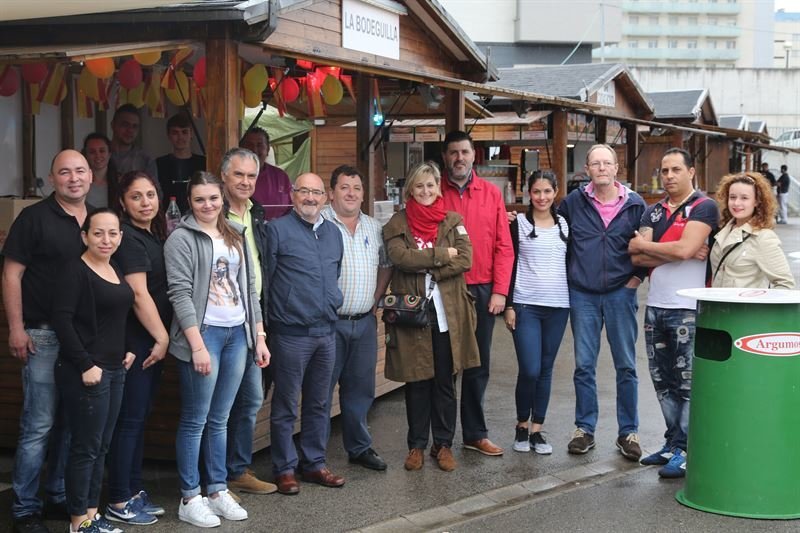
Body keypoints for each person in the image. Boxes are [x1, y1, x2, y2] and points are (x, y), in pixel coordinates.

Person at [164, 171, 270, 528]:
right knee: (196, 419)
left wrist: (259, 336)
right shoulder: (181, 238)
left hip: (237, 333)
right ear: (189, 203)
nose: (207, 205)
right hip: (204, 335)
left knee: (220, 418)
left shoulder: (235, 234)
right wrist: (196, 346)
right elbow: (179, 293)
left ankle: (217, 488)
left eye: (213, 198)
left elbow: (249, 287)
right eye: (199, 200)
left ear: (222, 198)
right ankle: (189, 496)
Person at [3, 149, 92, 533]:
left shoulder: (100, 219)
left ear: (92, 176)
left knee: (72, 425)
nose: (74, 178)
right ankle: (25, 508)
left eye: (81, 171)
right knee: (38, 425)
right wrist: (17, 328)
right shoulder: (33, 218)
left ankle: (57, 495)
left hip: (85, 339)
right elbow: (11, 275)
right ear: (52, 178)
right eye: (65, 172)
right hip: (42, 335)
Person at [628, 148, 719, 478]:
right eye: (664, 170)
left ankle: (686, 448)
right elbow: (637, 258)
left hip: (687, 310)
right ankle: (672, 442)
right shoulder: (652, 213)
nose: (668, 176)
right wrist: (678, 250)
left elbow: (680, 248)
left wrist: (652, 248)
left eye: (675, 170)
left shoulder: (703, 206)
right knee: (662, 382)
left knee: (686, 384)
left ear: (691, 172)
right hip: (656, 308)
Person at [383, 162, 479, 472]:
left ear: (439, 187)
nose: (426, 191)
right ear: (410, 188)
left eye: (431, 185)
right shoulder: (397, 223)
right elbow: (400, 258)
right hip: (411, 313)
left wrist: (423, 262)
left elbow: (465, 258)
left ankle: (444, 444)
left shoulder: (453, 221)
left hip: (447, 313)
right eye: (420, 186)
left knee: (445, 380)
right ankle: (416, 446)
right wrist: (440, 255)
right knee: (417, 381)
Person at [558, 143, 646, 461]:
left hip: (621, 293)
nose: (602, 169)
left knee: (626, 365)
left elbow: (649, 244)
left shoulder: (635, 204)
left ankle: (628, 432)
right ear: (587, 169)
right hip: (583, 293)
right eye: (596, 164)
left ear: (616, 167)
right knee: (584, 365)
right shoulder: (572, 203)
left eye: (607, 163)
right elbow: (553, 235)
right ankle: (584, 429)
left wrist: (636, 279)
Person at [51, 208, 135, 533]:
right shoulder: (75, 270)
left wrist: (126, 348)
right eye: (98, 233)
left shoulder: (114, 266)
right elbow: (62, 320)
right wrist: (86, 364)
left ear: (120, 237)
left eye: (113, 233)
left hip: (114, 368)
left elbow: (115, 316)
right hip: (86, 371)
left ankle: (90, 514)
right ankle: (77, 522)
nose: (106, 239)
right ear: (85, 236)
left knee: (101, 445)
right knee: (85, 447)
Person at [265, 173, 345, 495]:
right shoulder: (277, 230)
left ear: (325, 197)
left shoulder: (333, 233)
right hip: (290, 333)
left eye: (316, 192)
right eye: (303, 192)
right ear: (292, 195)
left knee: (319, 402)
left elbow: (334, 273)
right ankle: (284, 468)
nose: (310, 198)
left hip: (326, 331)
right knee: (285, 404)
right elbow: (268, 281)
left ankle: (313, 463)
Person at [439, 130, 513, 457]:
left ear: (474, 155)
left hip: (482, 289)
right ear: (445, 157)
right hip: (443, 288)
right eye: (453, 152)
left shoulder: (491, 194)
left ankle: (474, 433)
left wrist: (500, 292)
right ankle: (440, 439)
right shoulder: (433, 192)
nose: (459, 158)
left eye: (464, 152)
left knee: (477, 365)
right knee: (443, 366)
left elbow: (504, 246)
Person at [104, 171, 171, 525]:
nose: (145, 202)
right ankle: (118, 497)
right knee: (128, 421)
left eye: (150, 195)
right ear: (122, 202)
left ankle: (132, 488)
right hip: (138, 341)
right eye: (136, 197)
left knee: (138, 418)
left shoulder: (151, 234)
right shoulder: (128, 239)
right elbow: (138, 295)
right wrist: (162, 337)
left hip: (151, 339)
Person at [321, 165, 393, 471]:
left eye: (357, 188)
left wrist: (375, 300)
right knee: (320, 392)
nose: (351, 193)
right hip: (328, 323)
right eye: (344, 187)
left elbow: (386, 265)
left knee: (361, 390)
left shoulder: (374, 227)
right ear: (331, 192)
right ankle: (314, 455)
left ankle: (360, 447)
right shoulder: (319, 222)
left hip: (364, 321)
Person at [219, 147, 276, 498]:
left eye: (251, 176)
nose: (245, 181)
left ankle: (236, 470)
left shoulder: (258, 214)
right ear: (224, 176)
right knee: (219, 406)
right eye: (238, 174)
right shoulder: (213, 211)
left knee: (251, 398)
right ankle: (211, 477)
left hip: (253, 318)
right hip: (222, 319)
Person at [503, 171, 570, 456]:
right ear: (527, 193)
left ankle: (537, 429)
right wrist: (508, 304)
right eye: (536, 192)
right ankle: (521, 424)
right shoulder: (516, 224)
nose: (542, 197)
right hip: (525, 305)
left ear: (555, 192)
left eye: (547, 191)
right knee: (529, 368)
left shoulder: (565, 224)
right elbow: (506, 262)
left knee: (545, 369)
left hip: (558, 306)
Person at [710, 172, 795, 289]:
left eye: (744, 198)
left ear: (756, 201)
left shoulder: (763, 237)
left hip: (745, 307)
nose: (736, 203)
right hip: (717, 305)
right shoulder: (723, 230)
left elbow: (785, 284)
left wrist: (760, 306)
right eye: (732, 197)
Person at [156, 113, 206, 212]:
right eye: (175, 133)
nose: (180, 137)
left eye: (184, 132)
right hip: (169, 217)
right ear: (169, 135)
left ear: (191, 134)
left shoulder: (203, 163)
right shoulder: (160, 164)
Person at [239, 127, 292, 221]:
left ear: (267, 150)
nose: (254, 149)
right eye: (249, 145)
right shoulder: (237, 178)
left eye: (260, 145)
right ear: (241, 149)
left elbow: (291, 209)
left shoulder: (281, 176)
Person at [110, 104, 158, 178]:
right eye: (125, 125)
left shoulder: (145, 160)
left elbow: (154, 188)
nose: (130, 130)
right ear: (113, 125)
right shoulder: (98, 155)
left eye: (135, 126)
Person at [82, 133, 119, 208]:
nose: (98, 155)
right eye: (92, 152)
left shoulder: (121, 181)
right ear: (86, 155)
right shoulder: (78, 182)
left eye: (102, 151)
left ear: (109, 154)